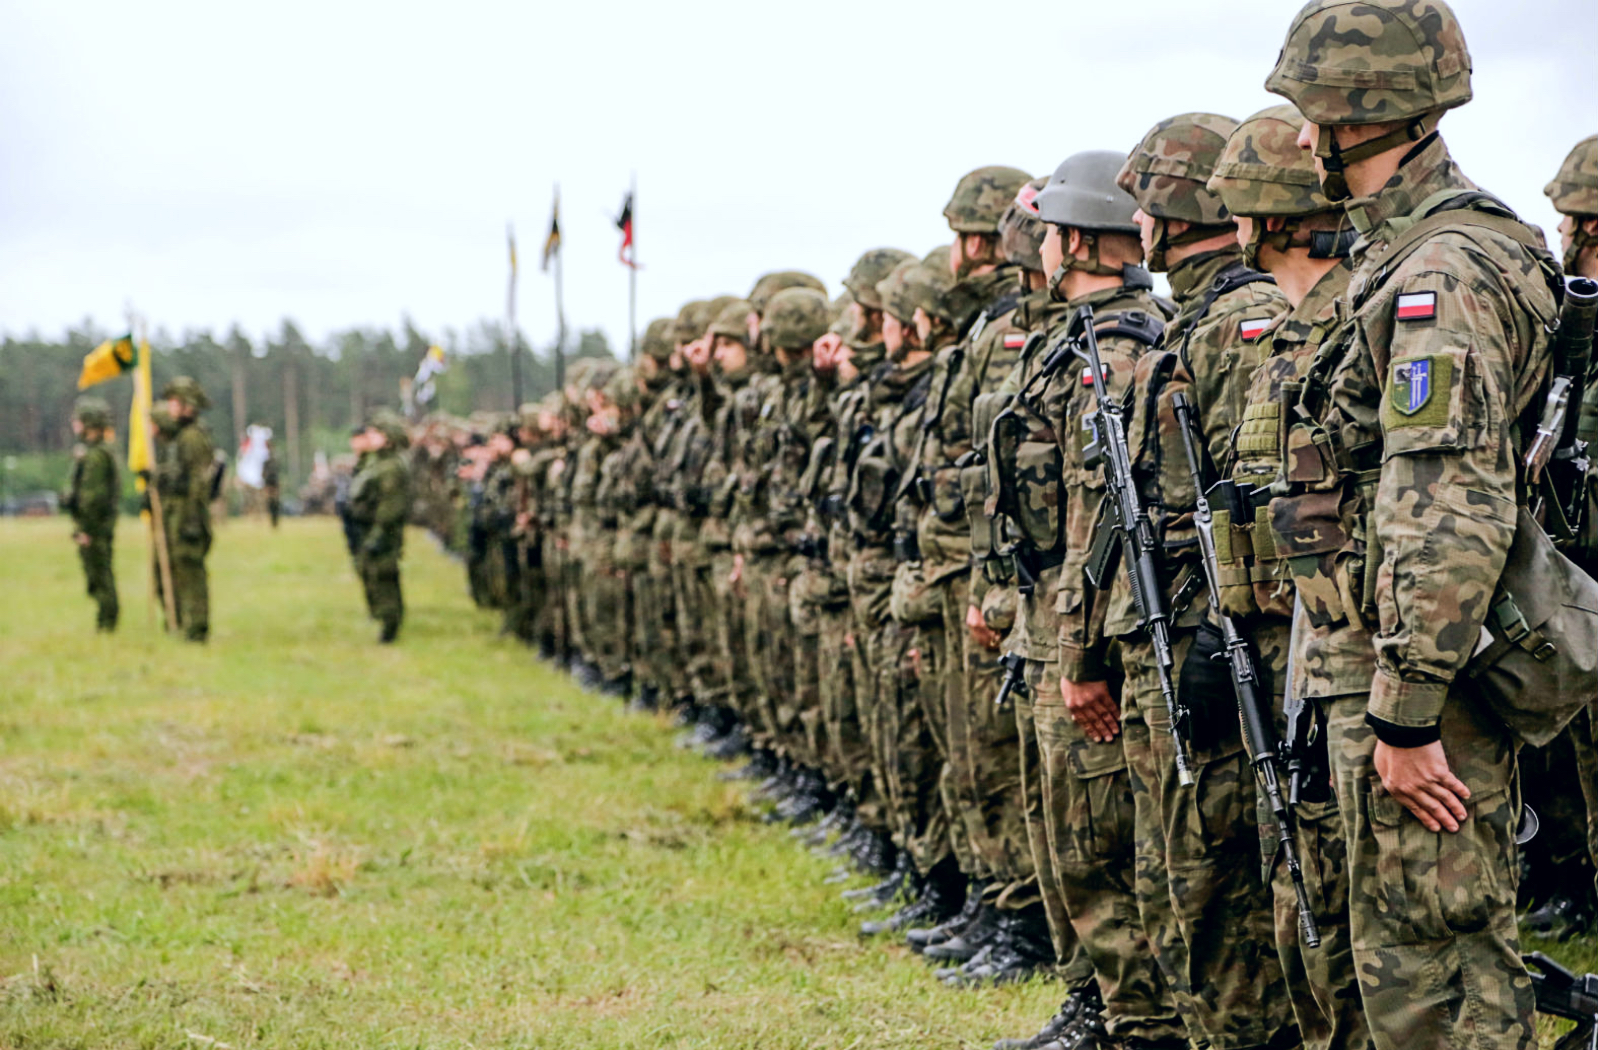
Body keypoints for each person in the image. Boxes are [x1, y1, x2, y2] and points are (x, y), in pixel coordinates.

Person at [1264, 1, 1563, 1045]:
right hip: (1376, 659)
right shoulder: (1396, 259)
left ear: (1363, 112)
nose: (1302, 139)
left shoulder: (1441, 270)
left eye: (1313, 113)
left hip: (1424, 681)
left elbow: (1447, 497)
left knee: (1432, 965)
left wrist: (1403, 711)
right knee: (1374, 959)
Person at [1106, 111, 1296, 1050]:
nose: (1137, 229)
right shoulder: (1199, 326)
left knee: (1217, 880)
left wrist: (1227, 635)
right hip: (1197, 631)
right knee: (1193, 872)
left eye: (1145, 208)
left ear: (1172, 215)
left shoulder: (1235, 328)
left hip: (1228, 641)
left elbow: (1262, 493)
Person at [1208, 103, 1367, 1050]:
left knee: (1347, 899)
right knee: (1297, 875)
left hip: (1347, 648)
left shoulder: (1351, 320)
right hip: (1284, 643)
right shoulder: (1291, 337)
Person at [156, 376, 217, 642]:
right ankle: (185, 624)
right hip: (179, 514)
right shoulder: (182, 437)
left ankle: (196, 629)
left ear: (186, 406)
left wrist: (192, 520)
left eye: (173, 403)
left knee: (191, 572)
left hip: (187, 516)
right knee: (181, 569)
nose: (169, 408)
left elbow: (198, 483)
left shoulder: (192, 438)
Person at [349, 411, 412, 643]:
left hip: (385, 530)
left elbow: (390, 506)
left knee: (384, 574)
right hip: (374, 527)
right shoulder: (381, 463)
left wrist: (378, 534)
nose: (370, 437)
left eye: (376, 433)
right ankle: (385, 619)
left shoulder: (391, 467)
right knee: (375, 572)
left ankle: (390, 623)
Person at [66, 395, 119, 632]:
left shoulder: (96, 456)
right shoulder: (95, 452)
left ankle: (107, 623)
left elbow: (92, 497)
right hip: (96, 525)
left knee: (100, 575)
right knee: (97, 575)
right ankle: (105, 621)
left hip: (95, 527)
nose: (74, 423)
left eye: (78, 419)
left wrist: (85, 529)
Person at [262, 439, 281, 528]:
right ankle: (273, 521)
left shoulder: (273, 458)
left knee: (274, 502)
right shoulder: (266, 459)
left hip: (273, 483)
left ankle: (275, 520)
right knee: (270, 502)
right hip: (269, 483)